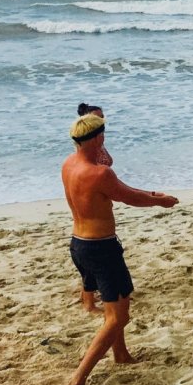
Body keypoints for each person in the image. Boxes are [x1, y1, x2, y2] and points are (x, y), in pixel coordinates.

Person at [60, 112, 178, 385]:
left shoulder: (69, 164)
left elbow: (119, 190)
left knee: (116, 306)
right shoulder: (99, 172)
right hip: (101, 248)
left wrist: (150, 193)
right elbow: (128, 198)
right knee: (118, 317)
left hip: (79, 244)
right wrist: (158, 201)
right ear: (98, 137)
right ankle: (77, 380)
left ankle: (121, 353)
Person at [74, 103, 110, 314]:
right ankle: (88, 302)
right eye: (98, 118)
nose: (102, 122)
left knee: (90, 259)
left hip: (98, 196)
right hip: (90, 203)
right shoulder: (85, 150)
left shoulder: (95, 144)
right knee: (90, 258)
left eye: (103, 117)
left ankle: (90, 296)